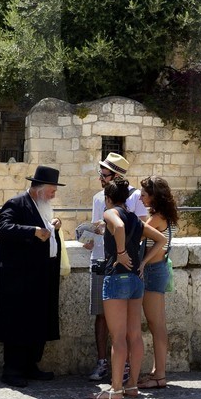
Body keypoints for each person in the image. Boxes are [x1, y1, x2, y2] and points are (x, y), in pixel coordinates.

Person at [0, 165, 65, 387]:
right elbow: (4, 228)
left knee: (36, 322)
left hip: (39, 276)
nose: (53, 194)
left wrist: (54, 227)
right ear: (39, 189)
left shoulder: (43, 206)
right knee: (18, 323)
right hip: (19, 278)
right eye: (52, 190)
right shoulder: (16, 203)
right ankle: (12, 370)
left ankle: (31, 365)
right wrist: (32, 231)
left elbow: (45, 231)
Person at [82, 152, 145, 383]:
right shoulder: (99, 197)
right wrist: (88, 236)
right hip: (100, 259)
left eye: (104, 174)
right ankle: (103, 362)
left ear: (115, 176)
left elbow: (140, 228)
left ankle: (125, 369)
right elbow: (95, 227)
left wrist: (121, 251)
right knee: (100, 315)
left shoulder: (136, 197)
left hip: (124, 264)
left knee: (128, 322)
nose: (100, 177)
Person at [136, 175, 180, 390]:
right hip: (161, 269)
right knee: (159, 325)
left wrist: (142, 262)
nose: (141, 198)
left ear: (154, 196)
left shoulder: (155, 220)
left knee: (156, 325)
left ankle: (159, 375)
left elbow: (137, 239)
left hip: (153, 271)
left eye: (144, 195)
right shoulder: (166, 216)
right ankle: (157, 373)